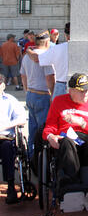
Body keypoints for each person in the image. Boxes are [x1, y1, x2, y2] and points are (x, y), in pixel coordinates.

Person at [42, 73, 88, 186]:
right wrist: (50, 136)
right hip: (66, 139)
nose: (85, 93)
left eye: (87, 90)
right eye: (82, 91)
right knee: (67, 142)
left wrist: (81, 123)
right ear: (71, 91)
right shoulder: (58, 101)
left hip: (87, 139)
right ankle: (71, 182)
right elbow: (49, 126)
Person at [20, 31, 55, 159]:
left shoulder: (26, 57)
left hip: (31, 94)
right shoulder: (45, 57)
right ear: (47, 42)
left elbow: (23, 75)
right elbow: (50, 79)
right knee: (44, 130)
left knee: (32, 129)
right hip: (43, 95)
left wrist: (26, 89)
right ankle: (42, 159)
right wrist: (53, 94)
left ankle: (31, 157)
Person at [0, 74, 27, 204]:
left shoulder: (10, 100)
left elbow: (22, 119)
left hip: (4, 137)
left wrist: (7, 125)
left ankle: (11, 186)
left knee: (7, 148)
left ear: (3, 85)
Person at [27, 22, 70, 99]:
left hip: (62, 84)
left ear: (66, 35)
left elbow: (36, 58)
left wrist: (28, 50)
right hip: (82, 85)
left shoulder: (58, 48)